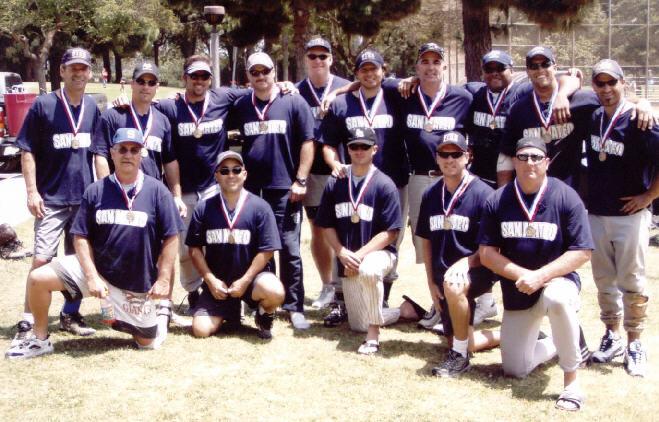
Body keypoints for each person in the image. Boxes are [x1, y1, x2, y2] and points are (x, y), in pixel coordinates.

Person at [5, 128, 181, 359]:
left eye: (134, 149)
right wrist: (91, 276)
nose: (128, 154)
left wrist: (164, 279)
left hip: (135, 281)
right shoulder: (96, 190)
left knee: (147, 343)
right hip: (98, 270)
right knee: (38, 278)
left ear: (142, 154)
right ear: (112, 153)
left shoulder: (158, 191)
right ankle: (39, 340)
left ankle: (154, 317)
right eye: (122, 149)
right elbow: (80, 236)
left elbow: (171, 237)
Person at [479, 137, 594, 411]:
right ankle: (559, 340)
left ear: (547, 162)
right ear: (514, 161)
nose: (529, 162)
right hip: (519, 290)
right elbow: (486, 253)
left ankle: (571, 382)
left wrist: (541, 276)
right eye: (522, 157)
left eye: (535, 157)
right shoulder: (498, 199)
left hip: (557, 283)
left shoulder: (566, 196)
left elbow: (582, 252)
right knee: (515, 369)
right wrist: (524, 275)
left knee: (557, 299)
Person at [9, 47, 100, 349]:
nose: (78, 73)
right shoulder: (44, 105)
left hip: (83, 200)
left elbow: (99, 153)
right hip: (51, 199)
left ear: (90, 72)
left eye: (83, 68)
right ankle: (28, 319)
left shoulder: (93, 106)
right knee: (42, 258)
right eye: (72, 67)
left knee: (78, 261)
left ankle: (71, 315)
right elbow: (27, 150)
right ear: (61, 71)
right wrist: (32, 191)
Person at [92, 61, 187, 329]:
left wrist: (176, 194)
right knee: (114, 252)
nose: (146, 87)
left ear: (157, 86)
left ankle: (165, 309)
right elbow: (100, 154)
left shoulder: (163, 120)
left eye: (151, 82)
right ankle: (110, 312)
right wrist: (104, 191)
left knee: (165, 250)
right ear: (131, 84)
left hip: (151, 197)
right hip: (118, 195)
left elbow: (169, 161)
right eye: (141, 81)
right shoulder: (114, 115)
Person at [227, 52, 315, 330]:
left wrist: (300, 179)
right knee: (257, 249)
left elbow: (307, 142)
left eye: (265, 71)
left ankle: (294, 306)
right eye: (255, 72)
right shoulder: (241, 104)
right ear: (248, 76)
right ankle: (266, 303)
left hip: (284, 189)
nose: (261, 77)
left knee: (289, 248)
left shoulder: (293, 100)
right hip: (251, 191)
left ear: (274, 72)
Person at [320, 48, 408, 324]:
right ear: (356, 74)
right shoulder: (343, 104)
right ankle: (340, 299)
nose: (370, 74)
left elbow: (414, 83)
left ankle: (382, 295)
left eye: (375, 69)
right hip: (351, 181)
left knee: (390, 237)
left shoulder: (396, 95)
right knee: (345, 235)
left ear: (384, 71)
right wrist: (335, 165)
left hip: (391, 181)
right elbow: (327, 143)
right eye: (364, 70)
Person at [155, 55, 249, 309]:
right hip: (183, 189)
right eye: (194, 76)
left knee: (220, 241)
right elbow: (142, 103)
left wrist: (285, 86)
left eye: (204, 76)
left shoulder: (223, 98)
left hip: (214, 187)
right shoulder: (169, 107)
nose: (199, 81)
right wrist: (121, 100)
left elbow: (258, 88)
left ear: (211, 79)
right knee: (187, 248)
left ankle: (226, 291)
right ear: (184, 78)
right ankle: (194, 291)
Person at [586, 59, 659, 377]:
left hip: (630, 215)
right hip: (597, 213)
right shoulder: (593, 117)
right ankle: (611, 336)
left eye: (611, 82)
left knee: (631, 281)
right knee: (604, 281)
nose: (606, 89)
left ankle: (634, 342)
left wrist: (649, 196)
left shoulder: (641, 120)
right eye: (599, 84)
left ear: (623, 83)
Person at [415, 131, 499, 377]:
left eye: (456, 154)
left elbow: (491, 246)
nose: (449, 159)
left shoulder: (484, 194)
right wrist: (431, 281)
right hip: (444, 275)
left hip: (477, 269)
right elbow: (427, 241)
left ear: (467, 157)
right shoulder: (431, 195)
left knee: (454, 287)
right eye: (444, 154)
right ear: (437, 158)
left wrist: (466, 262)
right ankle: (515, 335)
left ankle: (460, 359)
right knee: (460, 339)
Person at [315, 127, 402, 354]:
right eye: (354, 146)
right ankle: (405, 311)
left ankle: (373, 336)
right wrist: (342, 252)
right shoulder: (336, 182)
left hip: (378, 254)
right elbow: (326, 224)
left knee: (370, 271)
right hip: (347, 259)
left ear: (375, 149)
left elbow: (391, 232)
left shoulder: (384, 184)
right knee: (357, 325)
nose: (359, 151)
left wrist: (358, 257)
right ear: (347, 149)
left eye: (365, 146)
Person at [186, 151, 285, 339]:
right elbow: (194, 249)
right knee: (200, 330)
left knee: (274, 291)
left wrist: (245, 281)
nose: (231, 175)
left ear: (244, 174)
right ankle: (230, 312)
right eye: (224, 171)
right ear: (216, 176)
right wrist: (210, 280)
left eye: (236, 170)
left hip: (252, 282)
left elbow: (268, 250)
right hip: (219, 284)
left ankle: (265, 314)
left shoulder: (260, 207)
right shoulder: (204, 208)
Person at [296, 37, 351, 309]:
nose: (318, 61)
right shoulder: (295, 90)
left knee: (345, 227)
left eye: (323, 56)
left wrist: (337, 94)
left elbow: (365, 83)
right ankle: (328, 284)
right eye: (312, 56)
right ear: (305, 59)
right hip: (312, 171)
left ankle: (347, 288)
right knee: (318, 229)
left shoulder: (344, 86)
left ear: (331, 59)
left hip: (340, 168)